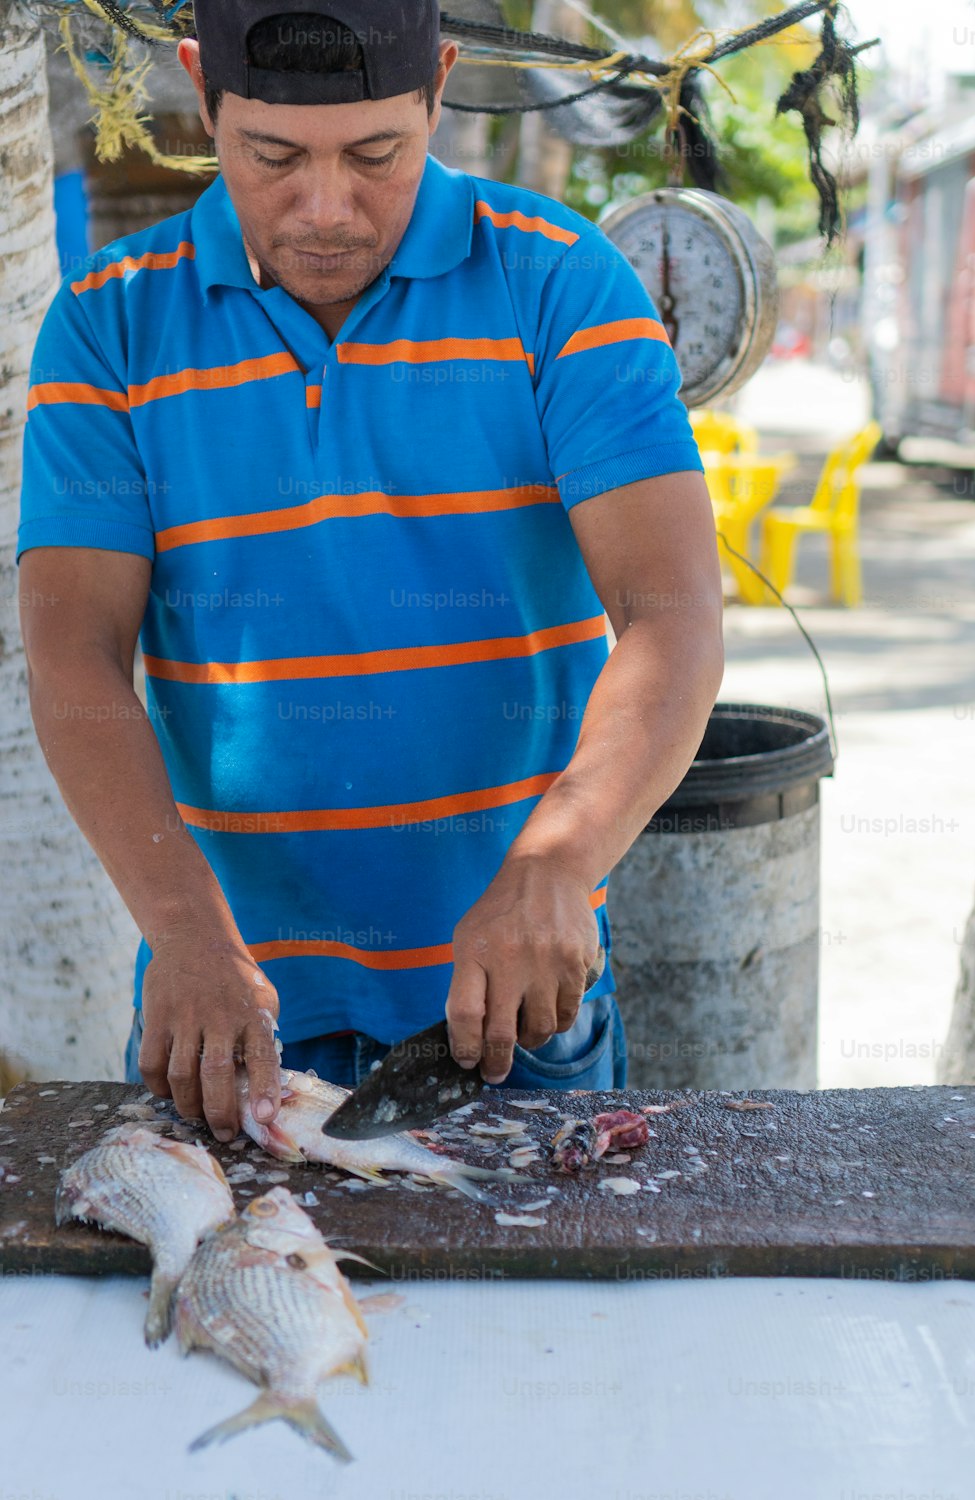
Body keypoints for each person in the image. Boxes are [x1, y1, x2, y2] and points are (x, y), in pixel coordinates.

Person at [17, 0, 724, 1143]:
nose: (328, 208)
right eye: (274, 157)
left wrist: (559, 860)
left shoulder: (562, 285)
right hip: (228, 1007)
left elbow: (672, 610)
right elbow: (74, 652)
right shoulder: (109, 323)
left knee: (552, 1321)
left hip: (512, 1010)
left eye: (377, 155)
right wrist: (186, 932)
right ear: (203, 93)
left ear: (439, 88)